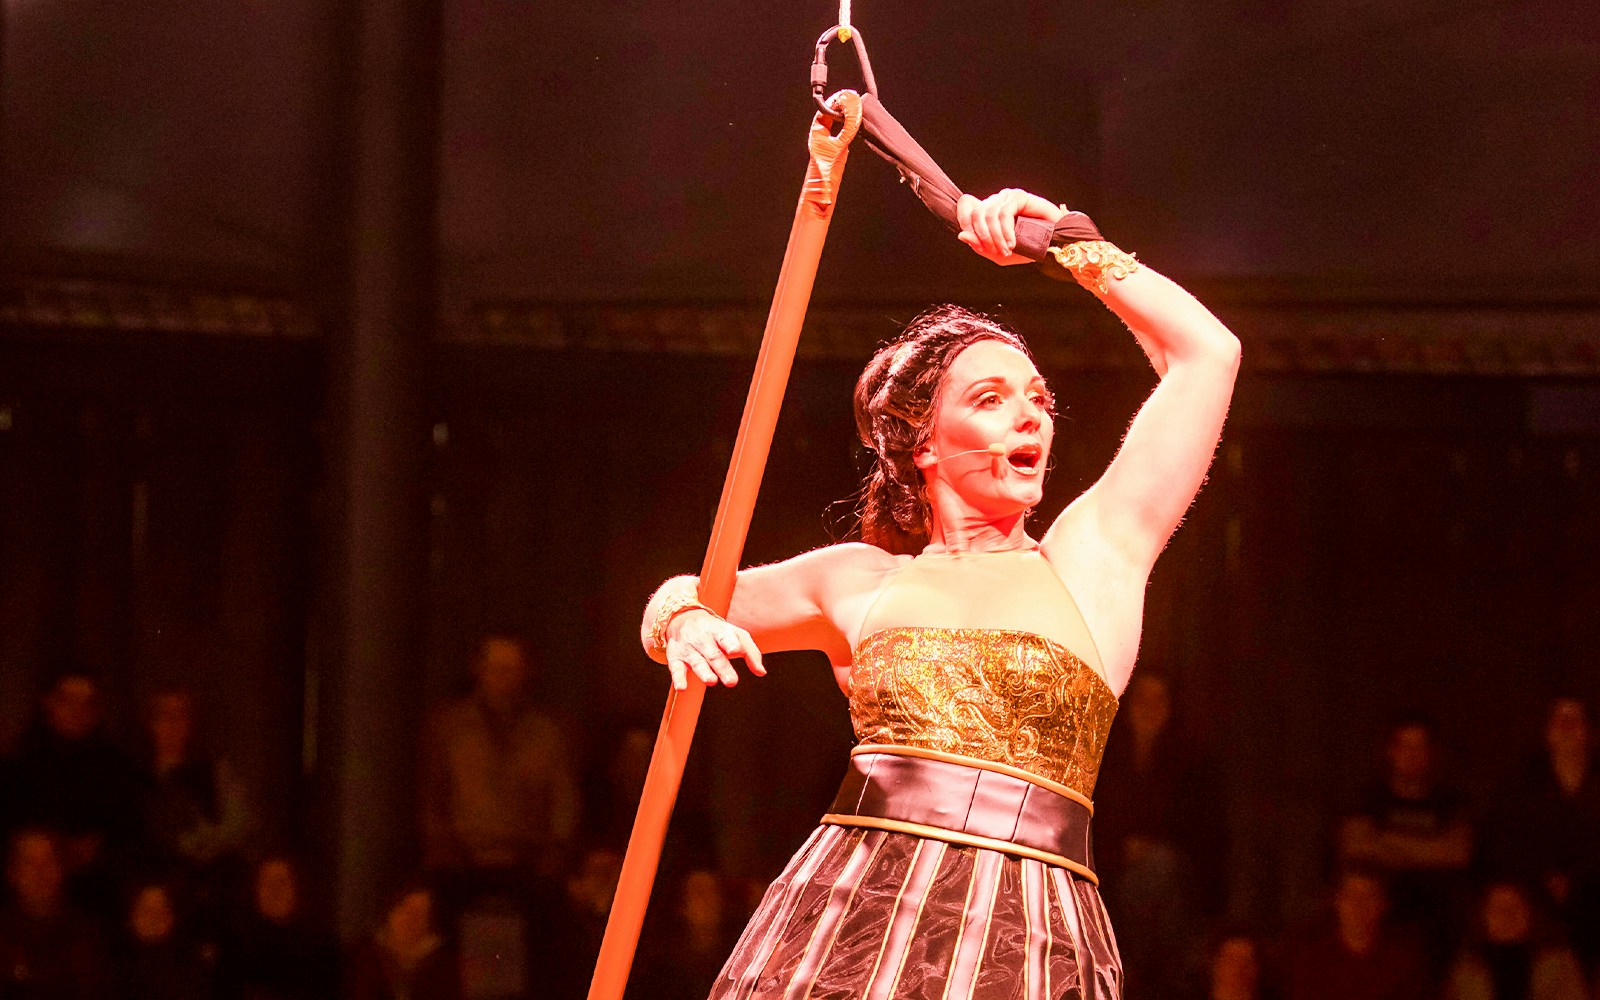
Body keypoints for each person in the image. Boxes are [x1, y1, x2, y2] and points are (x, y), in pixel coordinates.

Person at [640, 188, 1241, 999]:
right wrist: (679, 622)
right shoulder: (860, 580)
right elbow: (685, 596)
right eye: (991, 400)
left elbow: (1208, 353)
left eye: (1039, 399)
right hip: (846, 921)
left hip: (1024, 937)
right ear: (922, 442)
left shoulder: (1090, 558)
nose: (1030, 417)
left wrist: (1062, 244)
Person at [1337, 715, 1473, 974]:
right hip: (1379, 926)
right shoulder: (1366, 798)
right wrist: (1430, 848)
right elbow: (1355, 846)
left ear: (1431, 753)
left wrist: (1384, 844)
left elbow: (1457, 852)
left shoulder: (1451, 802)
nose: (1412, 755)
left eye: (1419, 747)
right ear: (1392, 751)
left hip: (1439, 926)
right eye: (1405, 746)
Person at [1282, 868, 1429, 1000]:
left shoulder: (1403, 960)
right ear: (1337, 902)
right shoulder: (1310, 957)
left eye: (1370, 897)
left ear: (1383, 905)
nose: (1359, 906)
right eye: (1351, 896)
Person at [1442, 879, 1589, 1000]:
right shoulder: (1467, 967)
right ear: (1482, 918)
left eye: (1516, 907)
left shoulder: (1559, 963)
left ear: (1531, 914)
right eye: (1497, 909)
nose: (1507, 916)